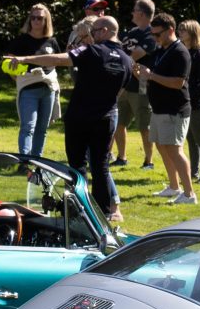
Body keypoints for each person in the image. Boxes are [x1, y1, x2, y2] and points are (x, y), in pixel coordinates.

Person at [19, 13, 130, 227]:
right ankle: (103, 214)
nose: (92, 35)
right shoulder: (127, 59)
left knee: (77, 166)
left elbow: (59, 59)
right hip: (106, 118)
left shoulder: (93, 51)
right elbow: (121, 91)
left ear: (106, 31)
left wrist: (26, 59)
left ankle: (79, 210)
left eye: (95, 31)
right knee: (101, 166)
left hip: (80, 117)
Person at [131, 11, 195, 203]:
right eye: (152, 34)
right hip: (159, 109)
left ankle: (189, 194)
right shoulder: (161, 50)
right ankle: (174, 187)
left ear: (171, 30)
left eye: (157, 34)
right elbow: (153, 77)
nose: (154, 38)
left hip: (175, 110)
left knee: (175, 149)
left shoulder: (180, 52)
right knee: (162, 147)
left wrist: (150, 75)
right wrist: (139, 73)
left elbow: (178, 83)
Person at [4, 3, 61, 159]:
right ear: (29, 20)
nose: (36, 21)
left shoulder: (52, 41)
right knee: (28, 127)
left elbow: (58, 62)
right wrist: (19, 79)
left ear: (46, 20)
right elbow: (8, 64)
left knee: (42, 128)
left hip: (48, 89)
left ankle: (37, 162)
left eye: (40, 18)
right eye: (33, 17)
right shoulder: (21, 41)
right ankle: (25, 162)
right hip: (28, 90)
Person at [114, 0, 157, 169]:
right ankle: (121, 157)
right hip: (125, 84)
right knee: (119, 123)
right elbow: (120, 53)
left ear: (141, 13)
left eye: (134, 9)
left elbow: (135, 55)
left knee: (144, 125)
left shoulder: (151, 34)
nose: (132, 12)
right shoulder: (131, 33)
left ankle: (149, 161)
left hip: (141, 86)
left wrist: (122, 61)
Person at [179, 19, 200, 184]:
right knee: (191, 140)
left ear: (192, 33)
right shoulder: (185, 52)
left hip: (197, 105)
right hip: (185, 104)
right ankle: (193, 172)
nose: (180, 33)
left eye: (183, 30)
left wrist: (190, 94)